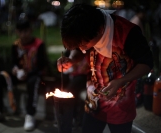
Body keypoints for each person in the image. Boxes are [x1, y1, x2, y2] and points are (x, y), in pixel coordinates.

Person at [57, 4, 153, 133]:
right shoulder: (85, 28)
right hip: (93, 102)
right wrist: (72, 59)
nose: (82, 48)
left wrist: (122, 80)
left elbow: (146, 63)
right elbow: (79, 50)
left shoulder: (127, 33)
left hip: (120, 104)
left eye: (84, 44)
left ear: (101, 30)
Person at [0, 18, 48, 131]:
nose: (24, 34)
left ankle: (30, 115)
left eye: (26, 31)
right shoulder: (16, 45)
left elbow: (42, 65)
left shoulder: (39, 44)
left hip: (34, 74)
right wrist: (15, 69)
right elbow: (14, 62)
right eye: (21, 31)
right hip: (19, 74)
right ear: (17, 32)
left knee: (33, 82)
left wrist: (28, 73)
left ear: (31, 30)